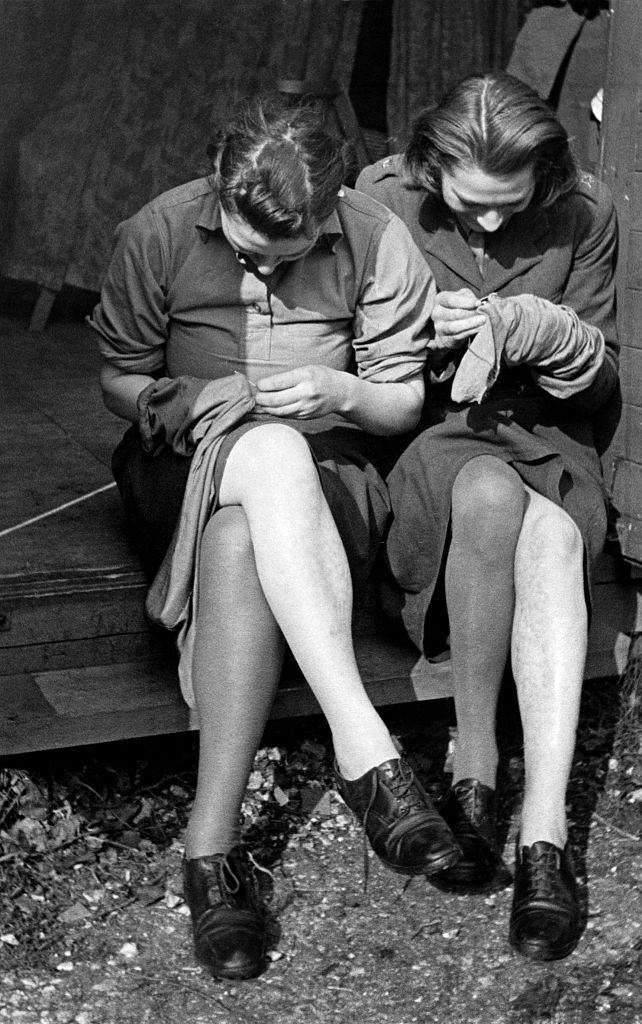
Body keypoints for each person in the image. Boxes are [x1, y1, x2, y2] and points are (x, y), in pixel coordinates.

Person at [89, 92, 462, 982]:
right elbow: (116, 375)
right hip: (181, 456)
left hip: (332, 467)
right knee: (261, 450)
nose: (260, 280)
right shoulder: (160, 231)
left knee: (240, 542)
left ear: (329, 213)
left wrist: (340, 394)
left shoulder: (375, 236)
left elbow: (402, 400)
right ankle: (366, 747)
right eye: (248, 256)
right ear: (220, 192)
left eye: (284, 262)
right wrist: (160, 400)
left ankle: (209, 853)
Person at [356, 72, 619, 962]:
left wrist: (539, 329)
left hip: (547, 431)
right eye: (474, 206)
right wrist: (421, 338)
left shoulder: (584, 213)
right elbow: (353, 348)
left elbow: (602, 373)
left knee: (546, 528)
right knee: (486, 492)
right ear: (431, 168)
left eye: (514, 206)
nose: (495, 226)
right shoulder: (381, 195)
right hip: (431, 432)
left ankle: (539, 831)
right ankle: (475, 764)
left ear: (543, 179)